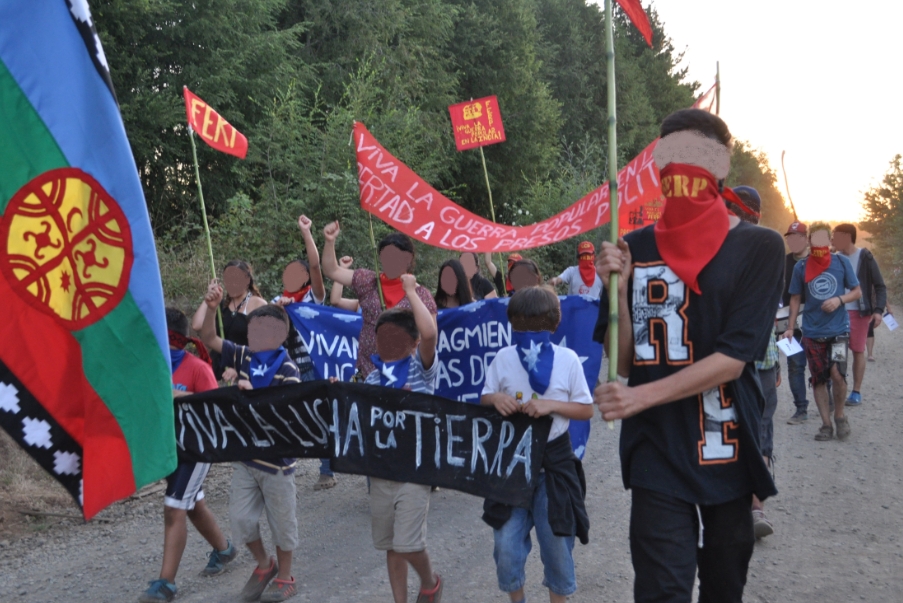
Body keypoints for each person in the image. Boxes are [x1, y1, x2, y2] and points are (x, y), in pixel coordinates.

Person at [593, 108, 783, 603]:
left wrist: (637, 399)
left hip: (727, 441)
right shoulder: (630, 248)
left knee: (724, 586)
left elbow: (734, 358)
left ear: (721, 166)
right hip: (657, 448)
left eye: (694, 155)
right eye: (669, 157)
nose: (680, 169)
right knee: (661, 591)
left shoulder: (760, 247)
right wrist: (617, 292)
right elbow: (623, 364)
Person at [481, 286, 593, 603]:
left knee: (557, 543)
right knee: (505, 543)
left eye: (538, 326)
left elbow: (586, 408)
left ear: (554, 325)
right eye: (522, 326)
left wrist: (551, 405)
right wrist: (495, 399)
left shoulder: (567, 359)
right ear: (511, 324)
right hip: (511, 463)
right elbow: (485, 396)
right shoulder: (503, 358)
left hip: (554, 465)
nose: (530, 333)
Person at [200, 290, 302, 602]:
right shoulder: (244, 355)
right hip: (246, 457)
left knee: (282, 524)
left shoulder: (289, 370)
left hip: (278, 462)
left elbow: (289, 413)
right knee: (242, 521)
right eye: (254, 330)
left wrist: (254, 393)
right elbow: (209, 339)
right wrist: (211, 306)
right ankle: (264, 564)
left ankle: (286, 576)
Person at [139, 308, 236, 603]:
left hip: (197, 448)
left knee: (174, 507)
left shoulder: (197, 368)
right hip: (170, 449)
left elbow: (216, 408)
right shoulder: (151, 365)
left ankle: (166, 583)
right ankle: (224, 550)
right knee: (192, 505)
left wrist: (176, 395)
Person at [364, 274, 443, 603]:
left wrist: (410, 292)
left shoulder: (421, 368)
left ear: (411, 344)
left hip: (415, 469)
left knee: (409, 542)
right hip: (380, 473)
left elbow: (430, 333)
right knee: (391, 544)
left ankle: (429, 581)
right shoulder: (370, 378)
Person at [321, 222, 437, 378]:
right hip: (368, 376)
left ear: (408, 259)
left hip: (404, 379)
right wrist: (329, 241)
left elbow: (430, 336)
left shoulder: (422, 295)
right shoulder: (367, 281)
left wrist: (410, 292)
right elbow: (332, 270)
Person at [783, 222, 861, 442]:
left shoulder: (841, 262)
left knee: (837, 373)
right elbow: (795, 297)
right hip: (812, 331)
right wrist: (790, 328)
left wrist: (839, 299)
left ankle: (840, 416)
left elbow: (856, 291)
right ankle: (826, 425)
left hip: (839, 330)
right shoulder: (801, 267)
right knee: (818, 378)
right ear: (809, 240)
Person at [831, 223, 887, 406]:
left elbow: (879, 285)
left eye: (835, 235)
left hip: (860, 313)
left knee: (857, 351)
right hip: (837, 313)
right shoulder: (833, 258)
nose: (832, 239)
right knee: (837, 354)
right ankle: (837, 391)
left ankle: (856, 392)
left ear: (847, 236)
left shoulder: (865, 256)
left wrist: (878, 311)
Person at [191, 260, 267, 379]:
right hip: (217, 368)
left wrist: (239, 368)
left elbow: (264, 346)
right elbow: (196, 325)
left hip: (244, 369)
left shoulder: (258, 304)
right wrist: (209, 298)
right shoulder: (220, 305)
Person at [782, 221, 812, 424]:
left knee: (822, 366)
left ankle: (826, 400)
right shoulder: (781, 261)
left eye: (798, 237)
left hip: (816, 322)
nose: (793, 241)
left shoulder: (818, 262)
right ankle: (801, 409)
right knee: (794, 366)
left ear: (807, 239)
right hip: (788, 323)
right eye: (790, 238)